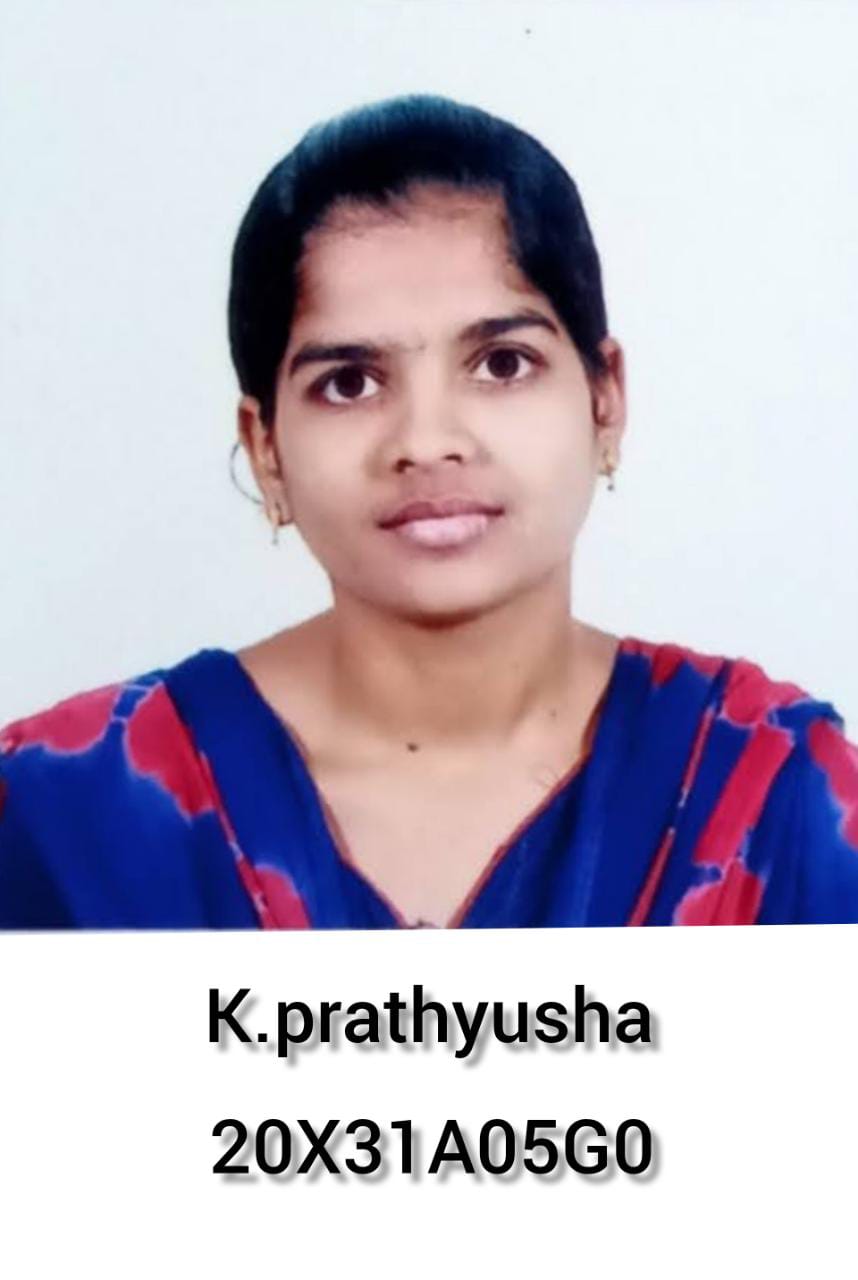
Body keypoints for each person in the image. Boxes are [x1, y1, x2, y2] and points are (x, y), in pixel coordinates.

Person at [2, 94, 857, 929]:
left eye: (502, 364)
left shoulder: (775, 800)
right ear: (266, 447)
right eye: (349, 383)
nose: (427, 440)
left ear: (605, 401)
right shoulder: (67, 821)